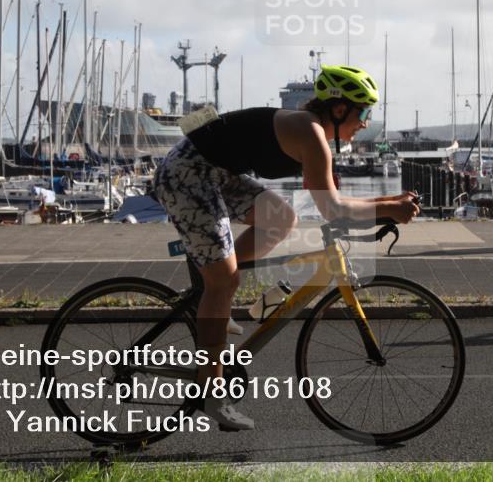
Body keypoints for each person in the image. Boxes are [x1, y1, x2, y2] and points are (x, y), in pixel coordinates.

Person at [152, 65, 420, 430]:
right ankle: (210, 394)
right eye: (363, 112)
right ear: (339, 109)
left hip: (212, 171)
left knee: (281, 218)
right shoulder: (311, 136)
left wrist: (390, 198)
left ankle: (213, 289)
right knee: (223, 283)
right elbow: (335, 210)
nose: (365, 122)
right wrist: (389, 209)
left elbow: (332, 200)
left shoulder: (311, 132)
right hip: (186, 175)